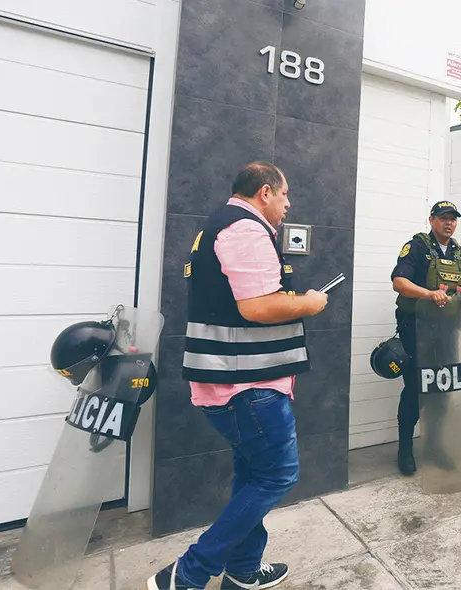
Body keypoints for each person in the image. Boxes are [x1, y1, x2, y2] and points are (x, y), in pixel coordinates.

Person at [148, 162, 328, 590]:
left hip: (235, 382)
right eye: (285, 195)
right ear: (265, 192)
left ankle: (244, 569)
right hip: (248, 385)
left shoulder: (219, 226)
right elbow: (258, 307)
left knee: (253, 474)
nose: (289, 203)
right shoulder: (245, 229)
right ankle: (187, 574)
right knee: (277, 475)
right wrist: (308, 302)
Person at [390, 201, 461, 475]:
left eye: (453, 219)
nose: (449, 223)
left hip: (447, 329)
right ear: (431, 220)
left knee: (442, 389)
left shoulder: (460, 253)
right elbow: (399, 282)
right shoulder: (417, 247)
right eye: (443, 218)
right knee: (414, 389)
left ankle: (434, 446)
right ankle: (405, 449)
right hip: (417, 328)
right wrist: (427, 294)